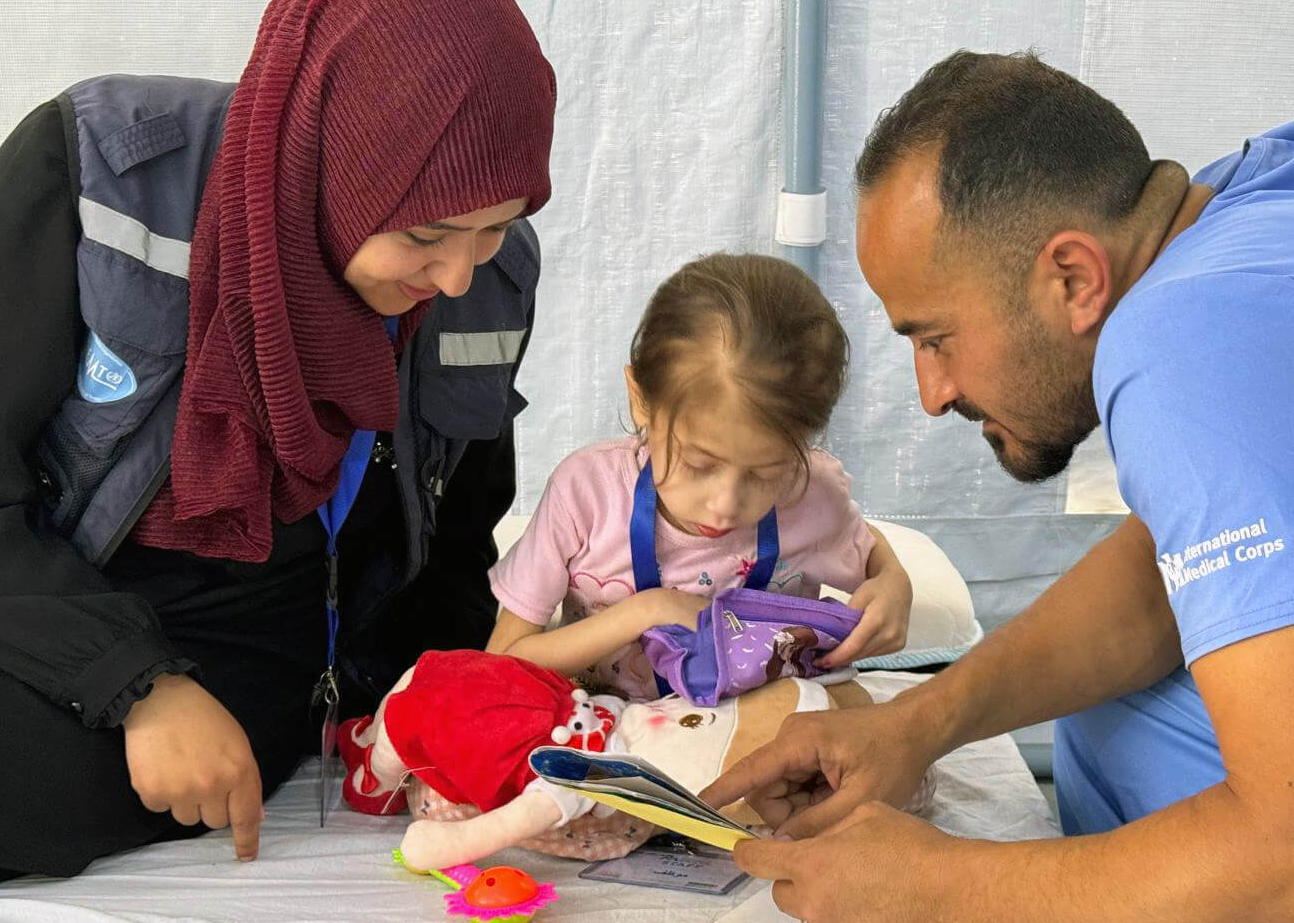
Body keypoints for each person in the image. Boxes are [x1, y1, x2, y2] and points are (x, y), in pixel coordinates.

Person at [705, 51, 1294, 923]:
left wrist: (948, 892)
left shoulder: (1189, 340)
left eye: (934, 337)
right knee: (1112, 721)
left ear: (1072, 276)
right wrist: (918, 724)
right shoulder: (1280, 190)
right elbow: (1167, 578)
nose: (930, 392)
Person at [0, 0, 557, 909]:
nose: (459, 277)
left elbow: (450, 557)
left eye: (496, 226)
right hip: (38, 597)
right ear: (331, 166)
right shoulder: (94, 170)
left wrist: (465, 720)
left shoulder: (484, 282)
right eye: (427, 236)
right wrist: (133, 681)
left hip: (250, 660)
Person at [337, 253, 914, 812]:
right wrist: (644, 612)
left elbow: (870, 554)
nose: (725, 504)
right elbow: (504, 661)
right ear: (642, 399)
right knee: (473, 735)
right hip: (602, 726)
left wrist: (895, 586)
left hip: (739, 727)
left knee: (859, 728)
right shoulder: (586, 492)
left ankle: (678, 807)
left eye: (766, 474)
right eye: (699, 463)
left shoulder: (815, 494)